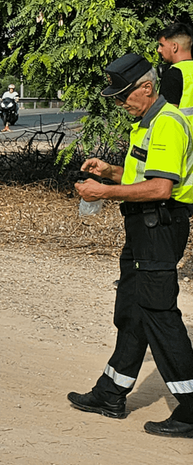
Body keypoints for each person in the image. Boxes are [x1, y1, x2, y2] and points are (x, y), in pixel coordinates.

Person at [70, 52, 193, 438]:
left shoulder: (168, 124)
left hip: (161, 225)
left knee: (159, 312)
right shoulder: (145, 123)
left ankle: (191, 409)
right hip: (143, 225)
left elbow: (161, 187)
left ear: (147, 87)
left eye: (124, 96)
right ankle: (111, 392)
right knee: (132, 309)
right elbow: (144, 175)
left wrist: (105, 191)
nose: (121, 103)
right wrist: (110, 172)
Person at [157, 22, 193, 108]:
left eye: (162, 45)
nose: (159, 50)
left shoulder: (173, 75)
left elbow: (168, 115)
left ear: (174, 47)